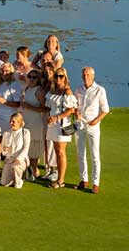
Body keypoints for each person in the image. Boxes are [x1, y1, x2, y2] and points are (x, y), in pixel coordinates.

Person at [74, 66, 109, 194]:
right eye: (84, 74)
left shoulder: (100, 90)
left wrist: (96, 120)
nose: (85, 77)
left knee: (95, 155)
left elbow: (105, 110)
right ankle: (84, 180)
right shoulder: (78, 89)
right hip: (80, 125)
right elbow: (75, 105)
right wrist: (76, 112)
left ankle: (96, 183)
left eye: (88, 74)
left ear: (93, 76)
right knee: (80, 154)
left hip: (93, 126)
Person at [45, 67, 78, 189]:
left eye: (61, 76)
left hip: (62, 124)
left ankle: (61, 180)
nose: (58, 78)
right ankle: (58, 177)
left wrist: (57, 117)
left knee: (60, 151)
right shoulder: (53, 90)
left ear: (65, 77)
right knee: (56, 150)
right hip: (52, 123)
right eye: (56, 76)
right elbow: (49, 106)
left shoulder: (67, 91)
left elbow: (71, 110)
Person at [19, 69, 49, 182]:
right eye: (29, 76)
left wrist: (29, 107)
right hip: (26, 120)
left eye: (34, 77)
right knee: (25, 145)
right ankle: (27, 170)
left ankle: (34, 170)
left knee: (34, 147)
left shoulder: (39, 91)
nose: (31, 79)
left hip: (36, 122)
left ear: (38, 79)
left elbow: (45, 108)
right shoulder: (26, 89)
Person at [0, 113, 31, 189]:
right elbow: (3, 151)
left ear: (19, 122)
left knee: (15, 167)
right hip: (9, 159)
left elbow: (26, 148)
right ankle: (13, 178)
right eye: (10, 121)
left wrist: (18, 158)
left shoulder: (26, 132)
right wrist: (4, 150)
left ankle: (19, 180)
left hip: (21, 160)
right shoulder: (6, 133)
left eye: (13, 121)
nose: (11, 123)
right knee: (3, 183)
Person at [0, 63, 22, 131]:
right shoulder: (0, 84)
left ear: (12, 72)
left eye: (7, 71)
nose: (4, 73)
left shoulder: (15, 85)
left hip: (6, 118)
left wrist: (5, 102)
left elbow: (18, 104)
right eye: (2, 71)